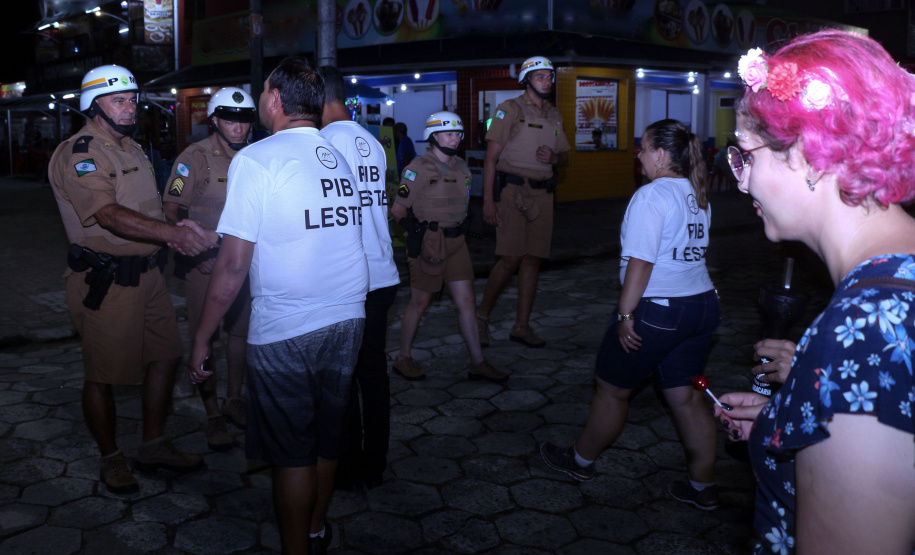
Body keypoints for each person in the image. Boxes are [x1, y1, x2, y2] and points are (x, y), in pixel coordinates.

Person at [716, 31, 915, 554]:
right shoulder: (893, 285)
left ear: (810, 155)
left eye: (747, 157)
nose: (743, 181)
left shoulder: (866, 334)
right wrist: (791, 422)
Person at [186, 55, 367, 555]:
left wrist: (202, 338)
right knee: (327, 440)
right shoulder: (337, 157)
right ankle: (314, 530)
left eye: (263, 93)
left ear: (275, 100)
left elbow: (232, 265)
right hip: (349, 315)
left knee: (292, 454)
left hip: (289, 324)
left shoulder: (258, 159)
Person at [48, 64, 217, 494]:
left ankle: (153, 444)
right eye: (118, 100)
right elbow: (108, 215)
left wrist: (181, 236)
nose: (129, 108)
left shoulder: (131, 148)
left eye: (132, 99)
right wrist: (174, 235)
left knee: (166, 355)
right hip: (106, 283)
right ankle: (111, 456)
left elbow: (148, 212)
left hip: (150, 277)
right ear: (93, 105)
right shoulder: (81, 152)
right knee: (103, 374)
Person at [540, 119, 721, 511]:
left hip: (659, 309)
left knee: (611, 389)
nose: (638, 155)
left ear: (659, 154)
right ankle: (703, 486)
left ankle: (580, 461)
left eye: (642, 148)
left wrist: (625, 316)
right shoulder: (697, 192)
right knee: (685, 398)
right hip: (702, 305)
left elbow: (641, 262)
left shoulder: (652, 196)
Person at [318, 65, 400, 491]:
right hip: (383, 272)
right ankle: (376, 461)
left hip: (352, 277)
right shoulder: (370, 139)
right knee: (373, 373)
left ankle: (348, 464)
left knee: (343, 375)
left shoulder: (325, 144)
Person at [163, 86, 256, 451]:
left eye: (244, 119)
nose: (238, 127)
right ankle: (213, 413)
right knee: (206, 336)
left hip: (246, 264)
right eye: (230, 119)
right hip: (205, 265)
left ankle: (234, 399)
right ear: (215, 120)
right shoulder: (194, 157)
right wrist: (193, 235)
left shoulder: (256, 156)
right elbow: (172, 208)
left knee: (240, 334)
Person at [391, 111, 506, 383]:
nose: (455, 138)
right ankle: (403, 358)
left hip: (457, 244)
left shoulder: (462, 167)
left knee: (467, 302)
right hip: (429, 245)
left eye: (458, 133)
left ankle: (478, 361)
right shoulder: (418, 168)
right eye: (448, 133)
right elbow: (397, 210)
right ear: (433, 136)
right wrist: (419, 233)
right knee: (419, 303)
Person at [476, 55, 571, 351]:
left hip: (543, 194)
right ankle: (480, 317)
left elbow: (564, 155)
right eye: (540, 76)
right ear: (526, 79)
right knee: (510, 258)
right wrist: (488, 201)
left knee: (533, 259)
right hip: (512, 193)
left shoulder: (554, 115)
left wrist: (554, 158)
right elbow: (490, 159)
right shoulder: (510, 110)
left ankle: (521, 326)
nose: (547, 81)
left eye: (549, 76)